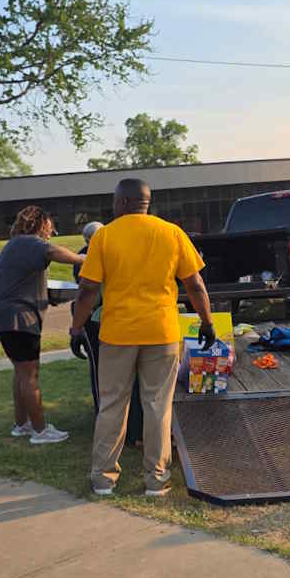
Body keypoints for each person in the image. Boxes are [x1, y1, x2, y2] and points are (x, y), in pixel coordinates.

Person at [69, 178, 215, 497]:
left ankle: (103, 479)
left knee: (112, 405)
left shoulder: (105, 236)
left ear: (121, 202)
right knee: (158, 406)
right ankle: (157, 480)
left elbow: (88, 290)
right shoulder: (172, 233)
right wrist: (206, 322)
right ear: (146, 202)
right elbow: (195, 285)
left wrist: (77, 327)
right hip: (161, 332)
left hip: (117, 334)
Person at [0, 205, 86, 444]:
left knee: (21, 372)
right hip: (18, 317)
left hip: (1, 315)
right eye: (50, 227)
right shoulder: (32, 242)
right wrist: (83, 259)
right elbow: (53, 252)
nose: (51, 232)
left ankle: (22, 425)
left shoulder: (15, 244)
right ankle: (41, 431)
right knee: (30, 374)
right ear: (41, 225)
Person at [71, 220, 144, 445]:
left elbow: (86, 293)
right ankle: (134, 431)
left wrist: (76, 328)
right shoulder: (121, 251)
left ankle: (113, 427)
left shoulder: (88, 257)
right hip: (130, 319)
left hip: (101, 320)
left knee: (106, 377)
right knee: (132, 379)